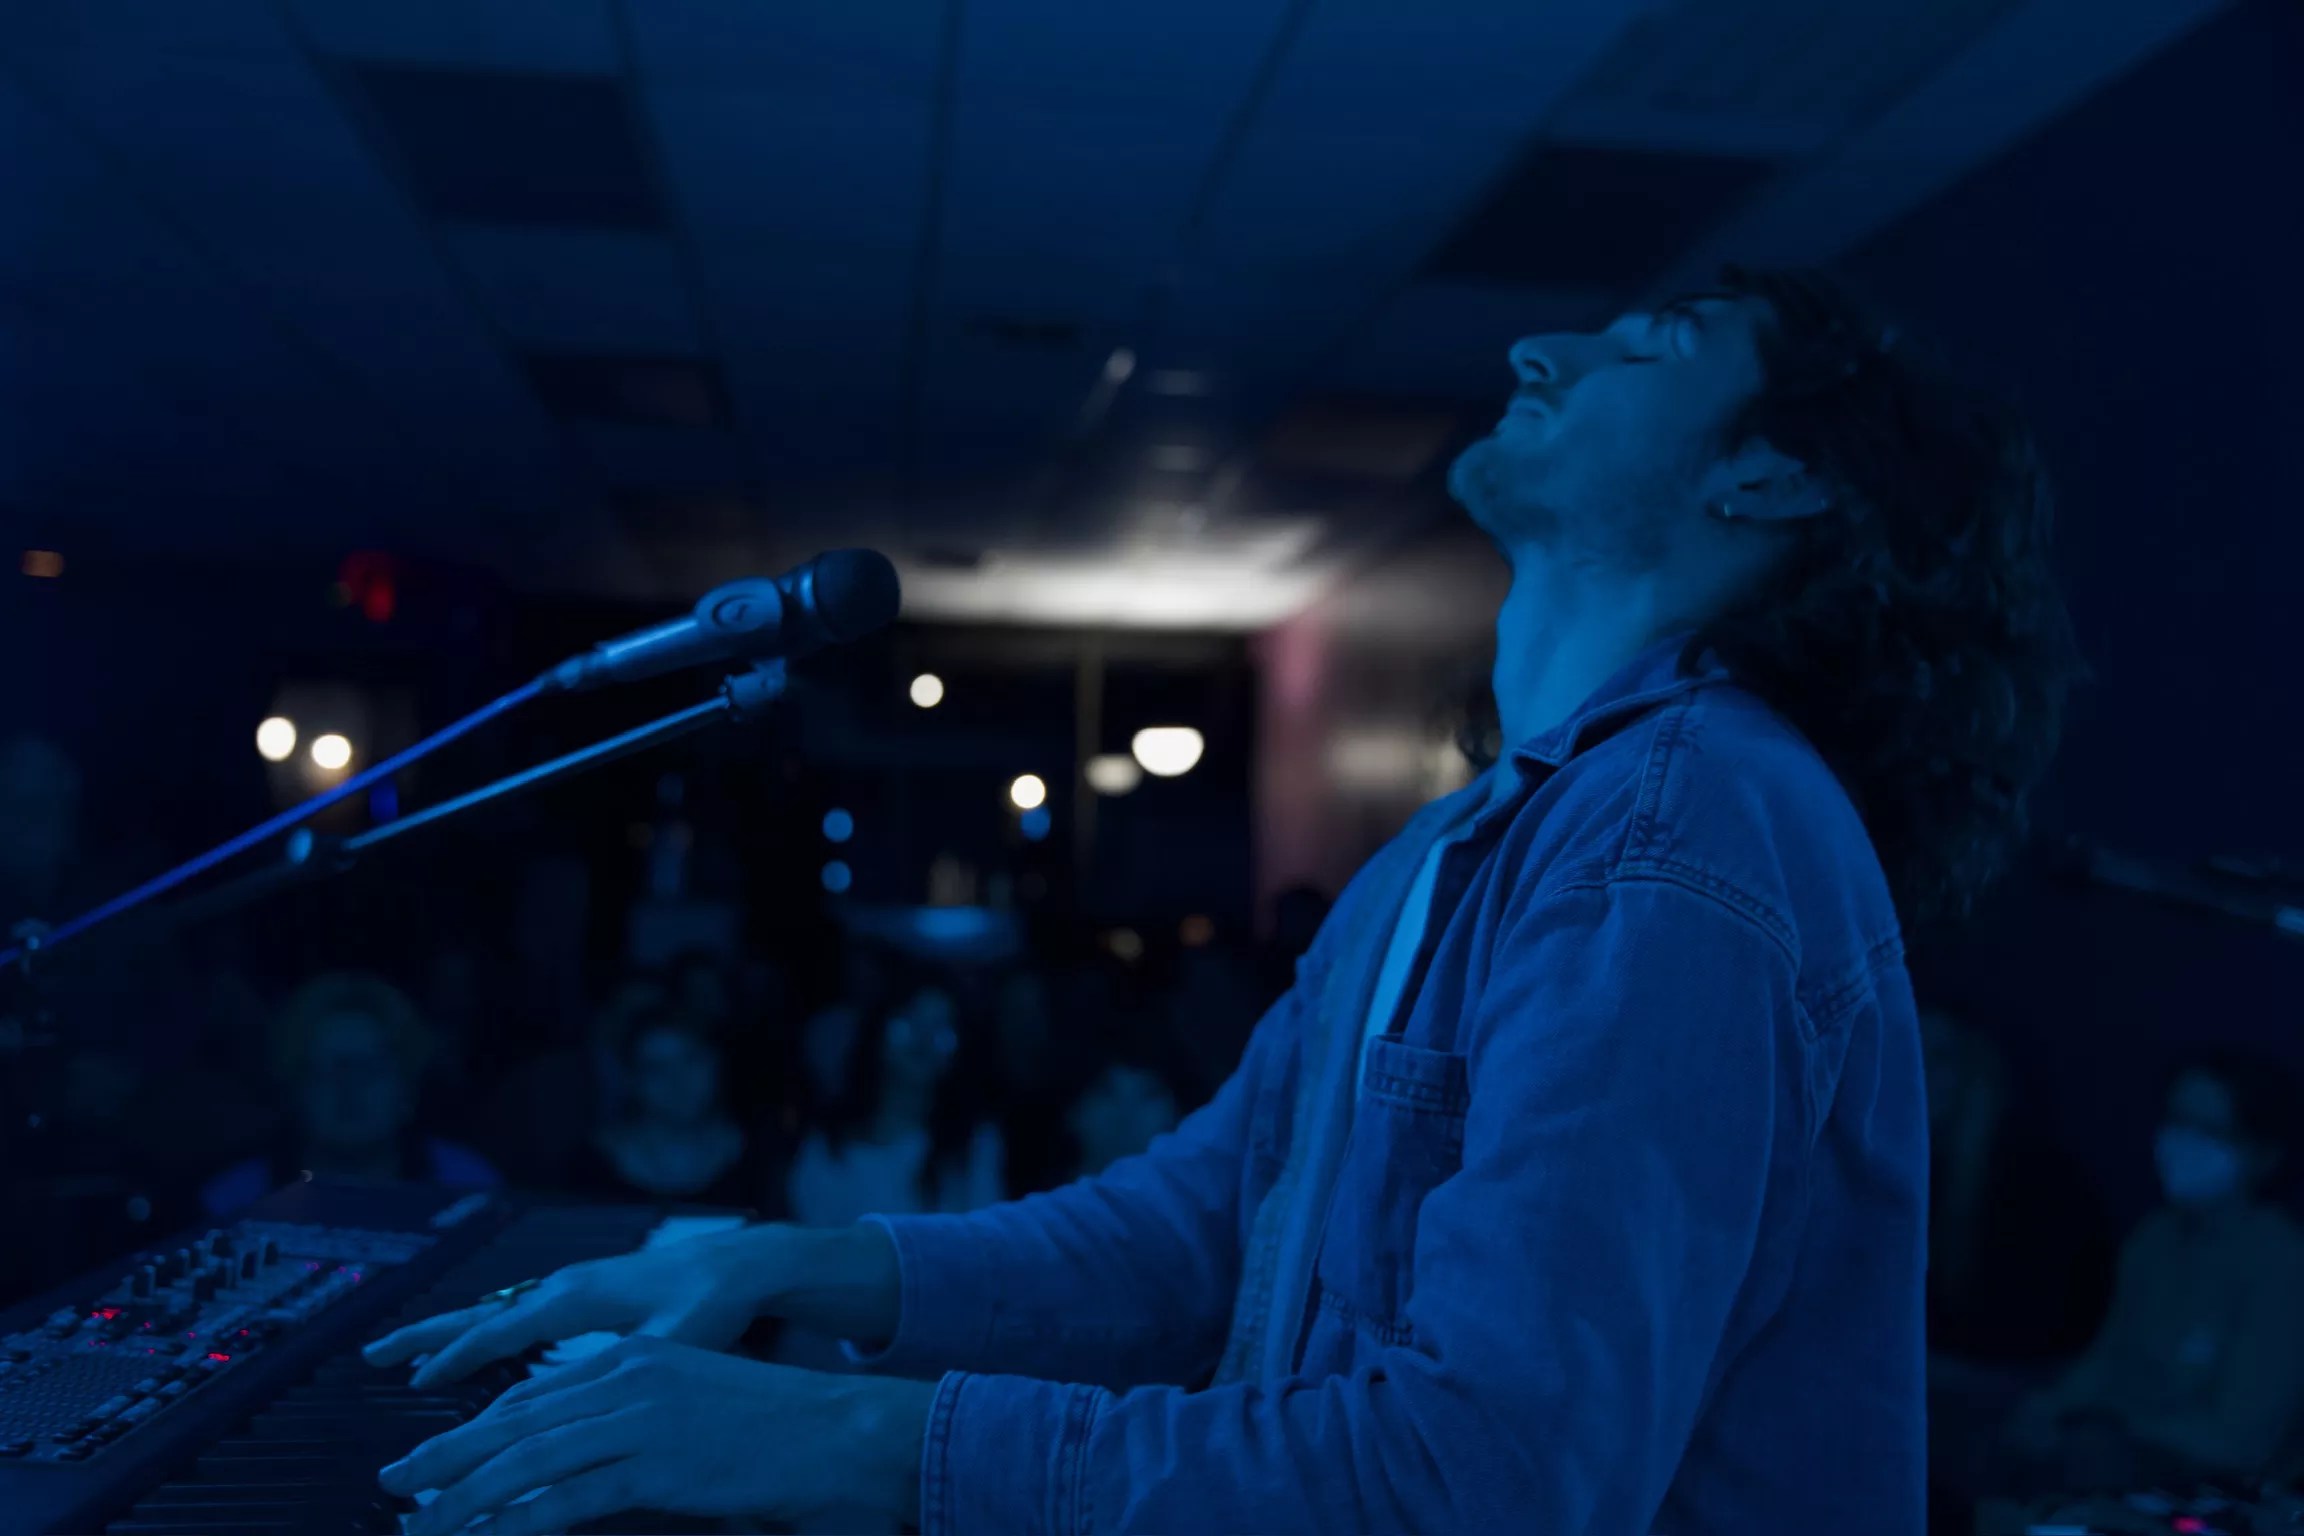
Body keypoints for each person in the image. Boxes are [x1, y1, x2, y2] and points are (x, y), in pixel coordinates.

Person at [363, 266, 2080, 1535]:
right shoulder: (1469, 842)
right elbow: (1197, 1235)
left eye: (1644, 346)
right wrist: (788, 1264)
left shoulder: (1679, 828)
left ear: (1771, 475)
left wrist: (840, 1440)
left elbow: (1481, 1482)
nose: (1534, 351)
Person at [1990, 1050, 2304, 1503]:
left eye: (2210, 1130)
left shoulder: (2282, 1264)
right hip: (2113, 1458)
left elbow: (2240, 1442)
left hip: (2214, 1493)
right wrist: (2050, 1408)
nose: (2184, 1142)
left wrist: (2108, 1429)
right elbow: (2105, 1360)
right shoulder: (2153, 1238)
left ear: (2264, 1154)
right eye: (2178, 1121)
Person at [200, 972, 498, 1216]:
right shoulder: (235, 1200)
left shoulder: (468, 1184)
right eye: (328, 1070)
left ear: (406, 1087)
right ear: (294, 1089)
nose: (349, 1088)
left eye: (369, 1069)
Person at [567, 1002, 770, 1209]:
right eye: (657, 1069)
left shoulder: (765, 1159)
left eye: (691, 1059)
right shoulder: (589, 1170)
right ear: (632, 1079)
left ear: (716, 1062)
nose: (678, 1082)